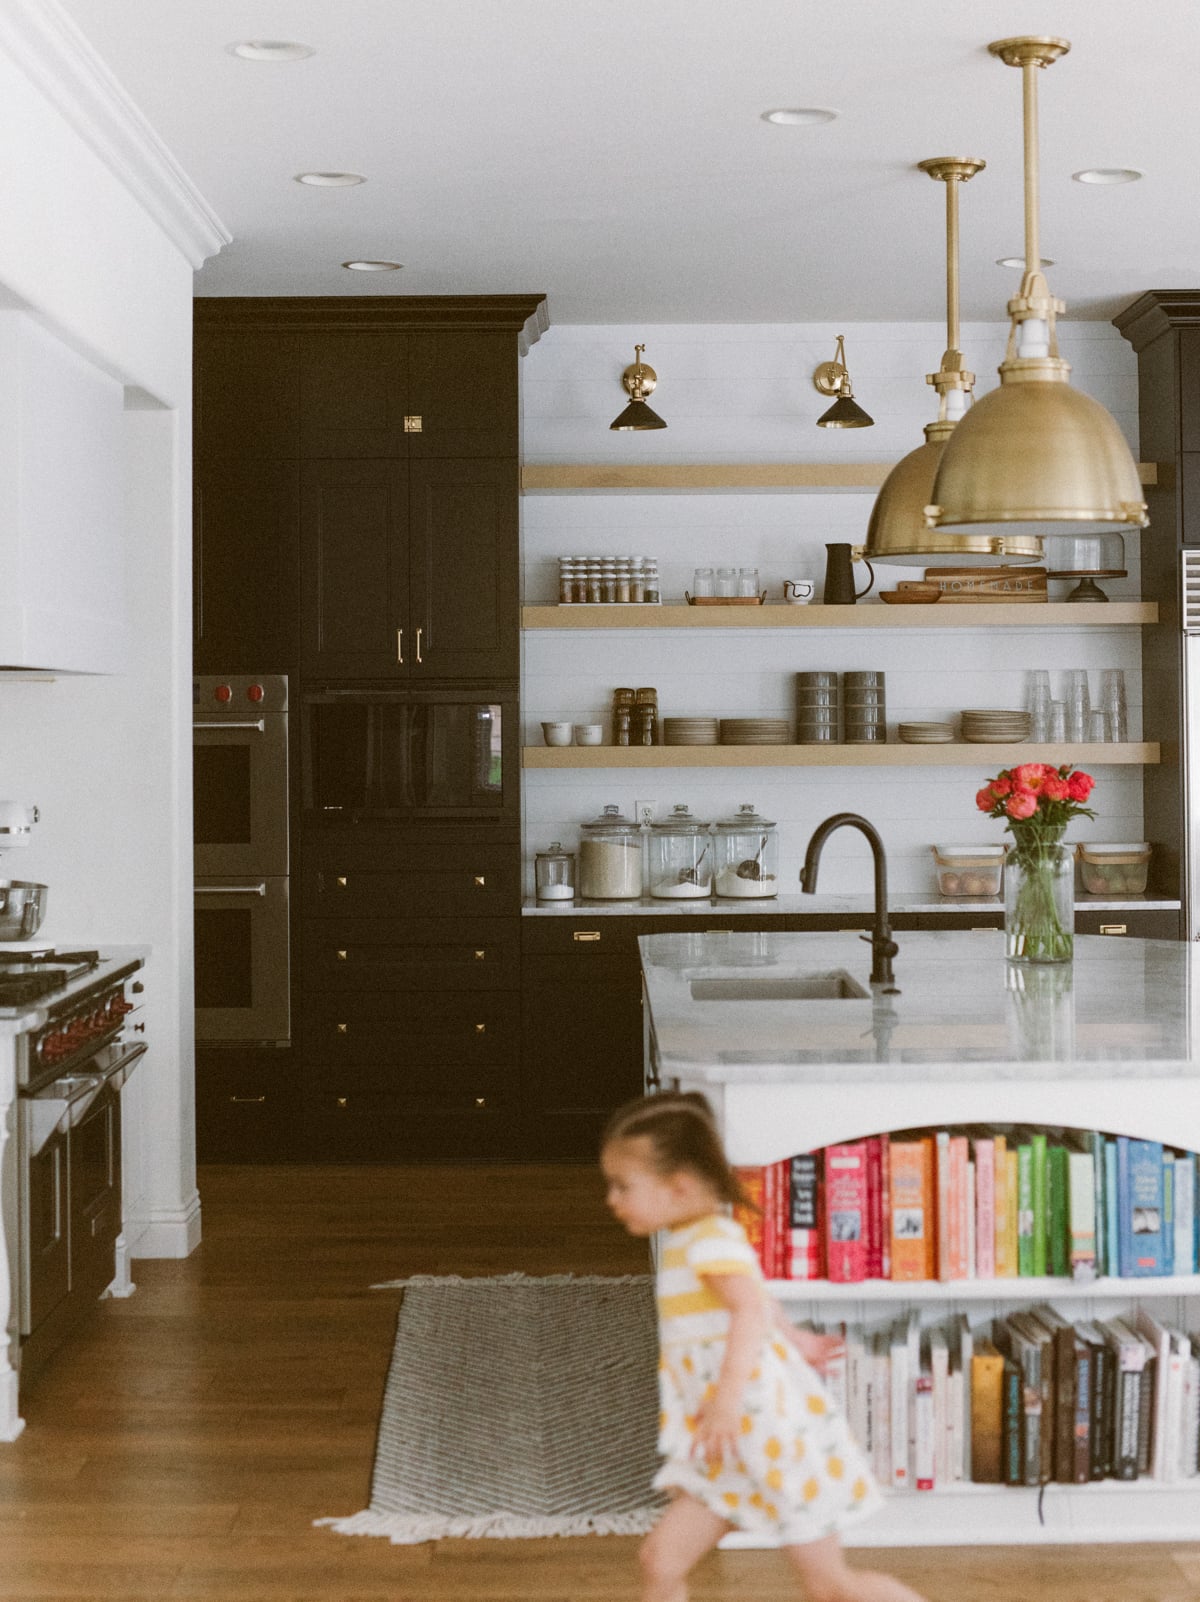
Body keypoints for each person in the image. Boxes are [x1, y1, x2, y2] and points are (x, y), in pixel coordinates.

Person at [601, 1090, 929, 1602]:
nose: (611, 1199)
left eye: (623, 1186)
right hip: (726, 1449)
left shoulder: (709, 1242)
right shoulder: (695, 1239)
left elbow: (748, 1310)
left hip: (767, 1440)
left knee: (829, 1588)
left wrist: (728, 1398)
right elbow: (758, 1300)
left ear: (678, 1187)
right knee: (659, 1562)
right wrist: (795, 1339)